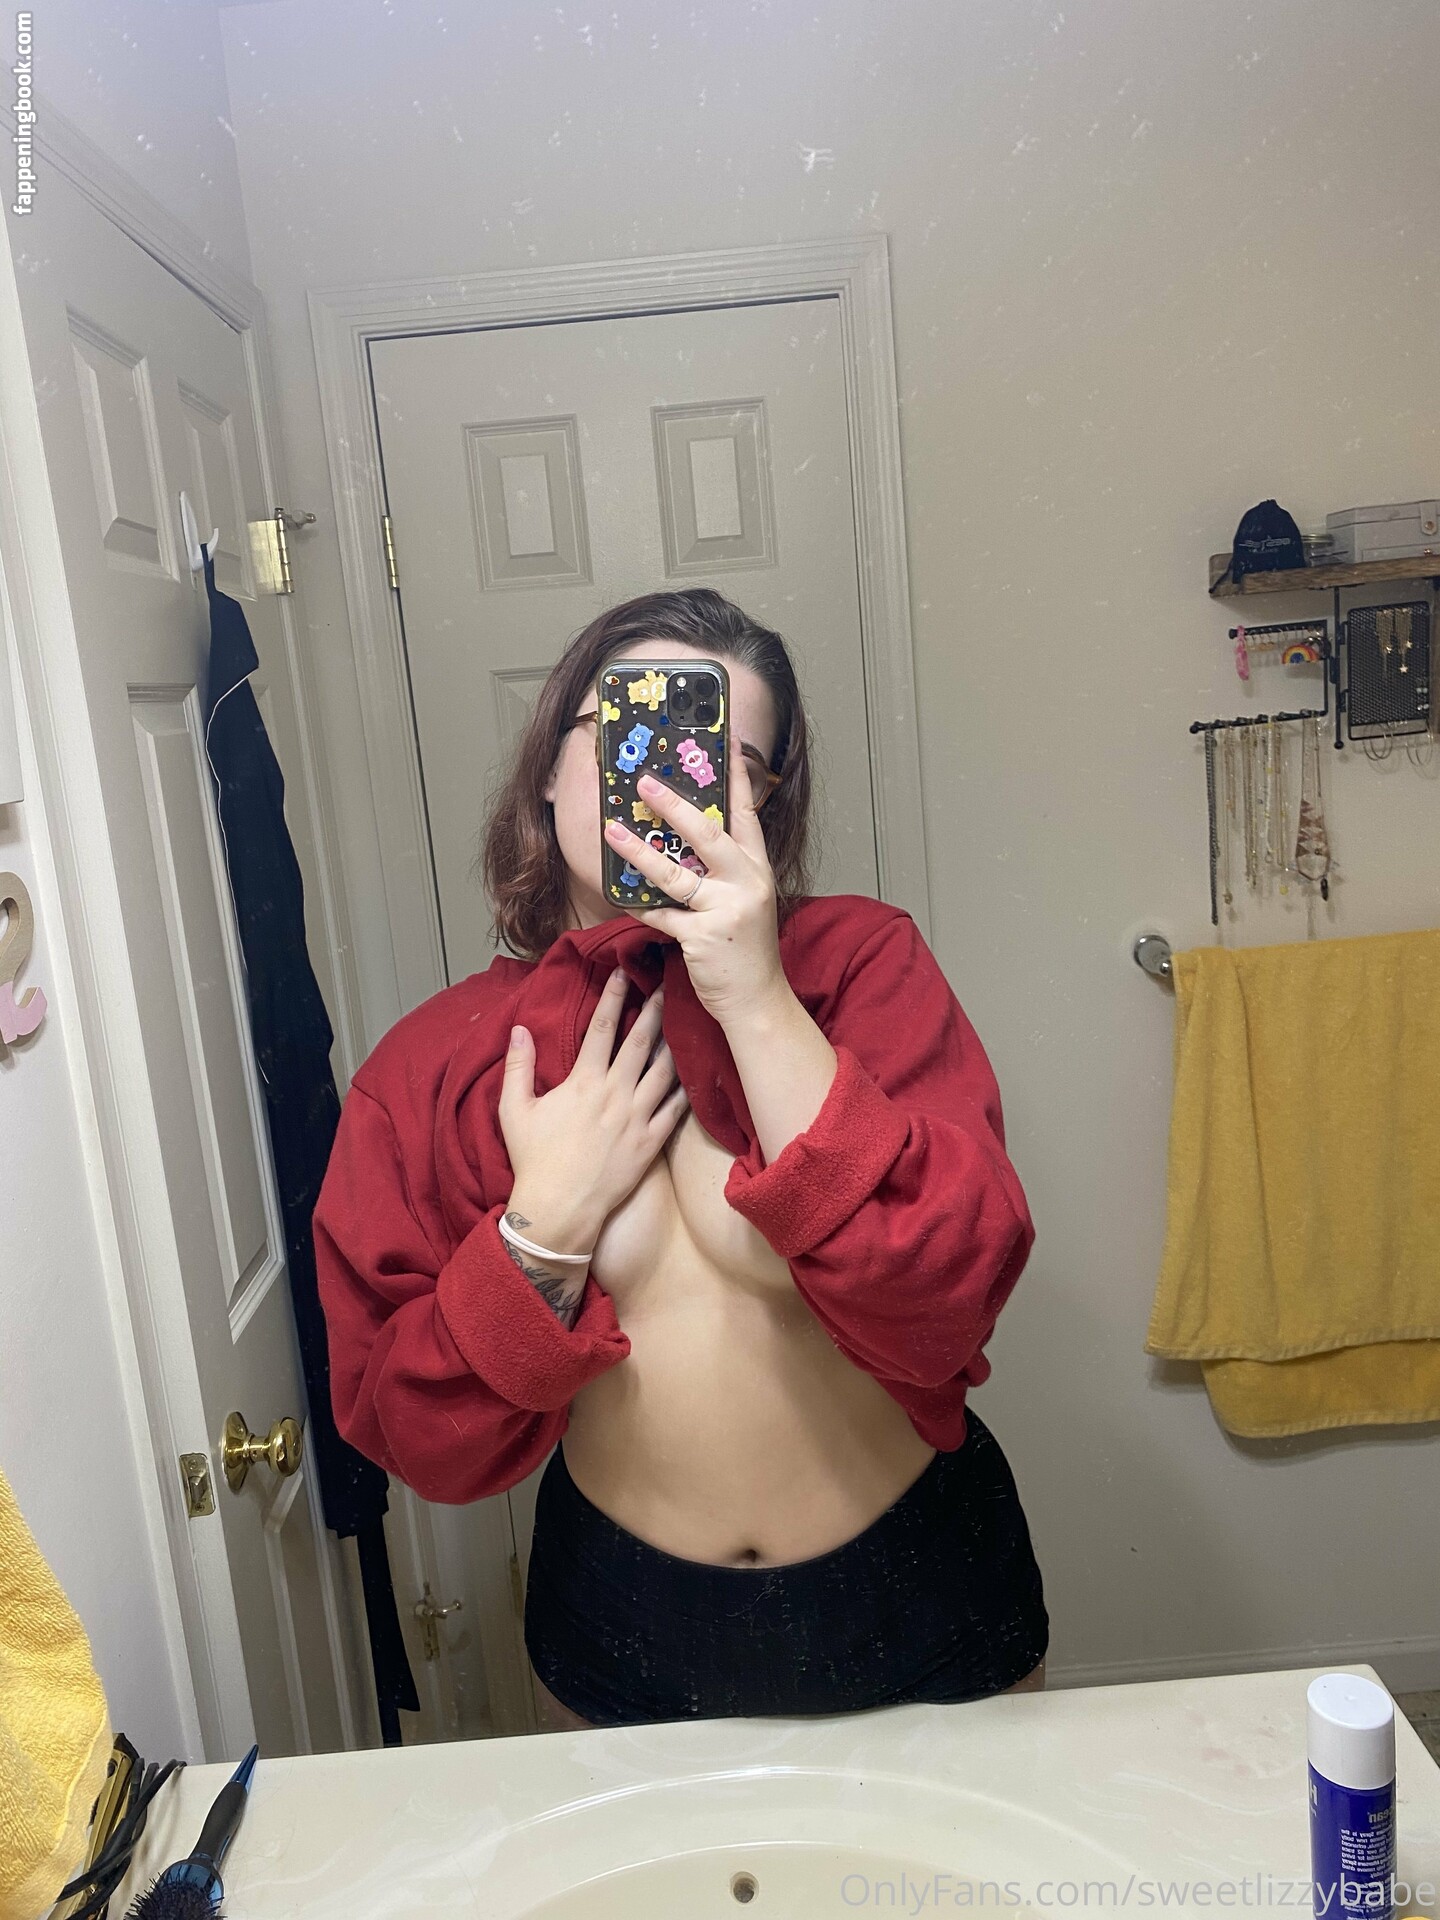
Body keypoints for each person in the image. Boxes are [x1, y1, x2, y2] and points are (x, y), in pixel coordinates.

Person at [314, 587, 1048, 1731]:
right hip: (620, 1618)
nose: (665, 781)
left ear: (761, 804)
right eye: (627, 736)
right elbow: (416, 1437)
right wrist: (544, 1231)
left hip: (921, 1581)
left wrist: (757, 998)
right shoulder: (439, 1065)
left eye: (722, 760)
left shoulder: (862, 967)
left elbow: (949, 1295)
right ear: (549, 769)